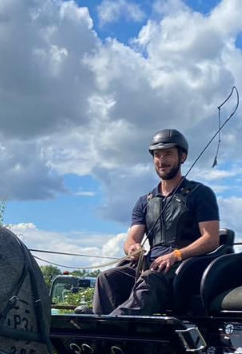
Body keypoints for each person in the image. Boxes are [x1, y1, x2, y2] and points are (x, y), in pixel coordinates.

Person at [92, 128, 220, 316]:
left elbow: (211, 239)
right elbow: (131, 239)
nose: (162, 160)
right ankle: (99, 329)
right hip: (150, 265)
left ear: (182, 157)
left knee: (151, 278)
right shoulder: (145, 201)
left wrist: (176, 255)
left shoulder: (200, 194)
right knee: (107, 278)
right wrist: (133, 249)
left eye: (168, 154)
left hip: (182, 268)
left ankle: (112, 328)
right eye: (157, 155)